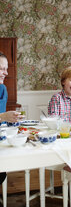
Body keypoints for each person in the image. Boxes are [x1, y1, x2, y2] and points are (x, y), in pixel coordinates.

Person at [0, 51, 23, 184]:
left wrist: (9, 118)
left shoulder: (2, 89)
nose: (6, 73)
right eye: (2, 69)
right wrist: (3, 116)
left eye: (6, 69)